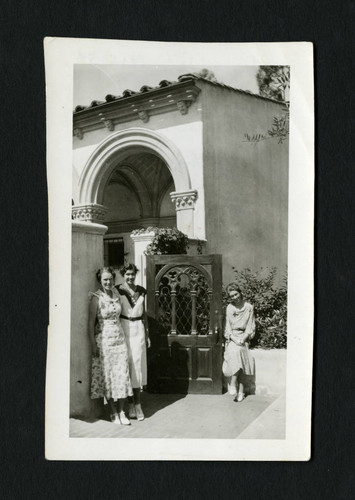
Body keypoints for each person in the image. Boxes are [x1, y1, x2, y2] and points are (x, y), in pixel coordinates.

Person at [88, 267, 132, 425]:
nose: (108, 282)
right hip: (104, 341)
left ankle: (122, 411)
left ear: (114, 280)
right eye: (105, 279)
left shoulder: (118, 296)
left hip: (119, 340)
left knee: (122, 375)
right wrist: (93, 344)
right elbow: (90, 324)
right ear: (100, 280)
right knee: (108, 377)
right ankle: (113, 412)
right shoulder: (96, 298)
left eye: (110, 279)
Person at [116, 263, 150, 421]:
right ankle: (129, 404)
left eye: (132, 274)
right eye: (127, 274)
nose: (130, 277)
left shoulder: (141, 291)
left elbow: (144, 315)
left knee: (137, 366)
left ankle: (138, 404)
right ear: (123, 275)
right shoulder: (118, 290)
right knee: (126, 365)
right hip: (123, 328)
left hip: (138, 329)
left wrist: (147, 335)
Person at [222, 283, 256, 402]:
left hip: (244, 337)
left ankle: (236, 387)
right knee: (236, 351)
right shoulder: (229, 308)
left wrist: (244, 337)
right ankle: (236, 387)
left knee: (241, 355)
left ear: (240, 293)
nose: (234, 297)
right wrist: (235, 339)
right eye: (231, 296)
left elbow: (250, 325)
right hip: (232, 338)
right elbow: (228, 327)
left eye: (236, 294)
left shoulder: (249, 307)